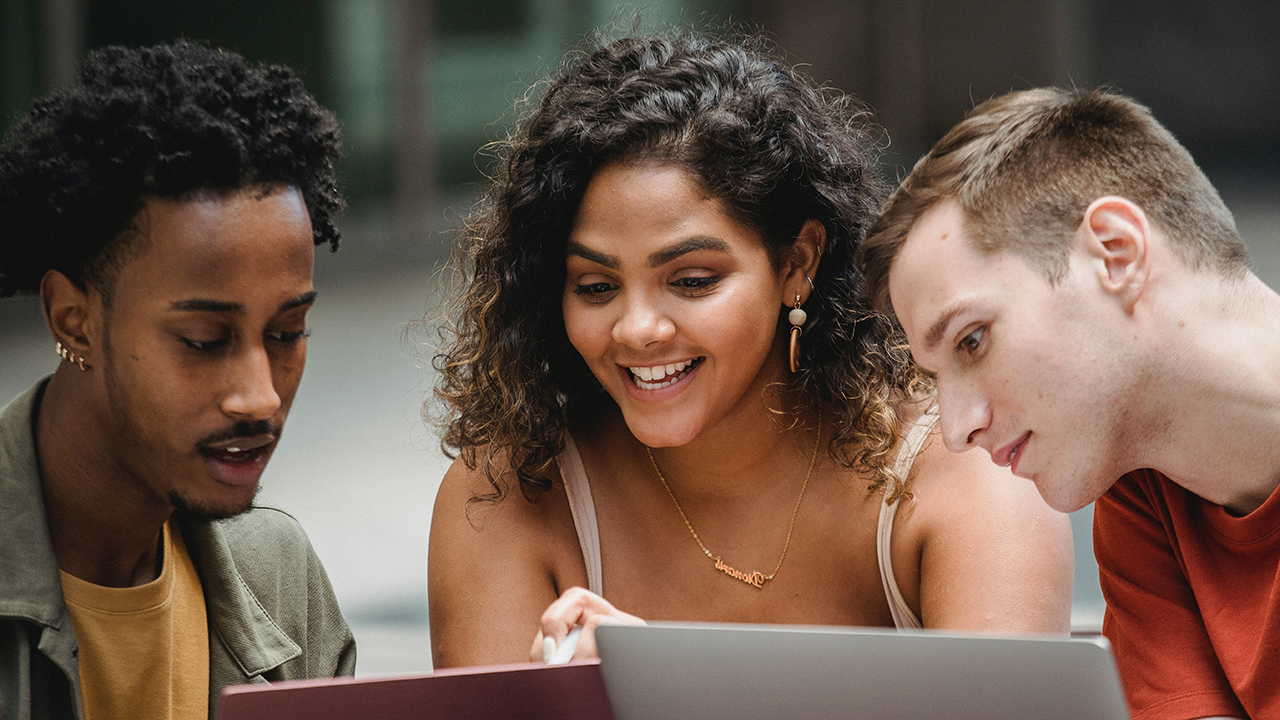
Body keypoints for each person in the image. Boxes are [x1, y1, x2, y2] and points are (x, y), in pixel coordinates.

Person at [428, 31, 1073, 669]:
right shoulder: (508, 496)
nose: (637, 329)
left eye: (691, 281)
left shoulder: (961, 472)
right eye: (596, 287)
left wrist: (671, 688)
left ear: (796, 263)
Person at [859, 87, 1273, 720]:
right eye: (935, 375)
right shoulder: (1143, 500)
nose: (956, 429)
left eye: (973, 340)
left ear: (1115, 252)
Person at [0, 42, 355, 720]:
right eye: (203, 341)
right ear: (73, 320)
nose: (260, 397)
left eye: (286, 333)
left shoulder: (279, 575)